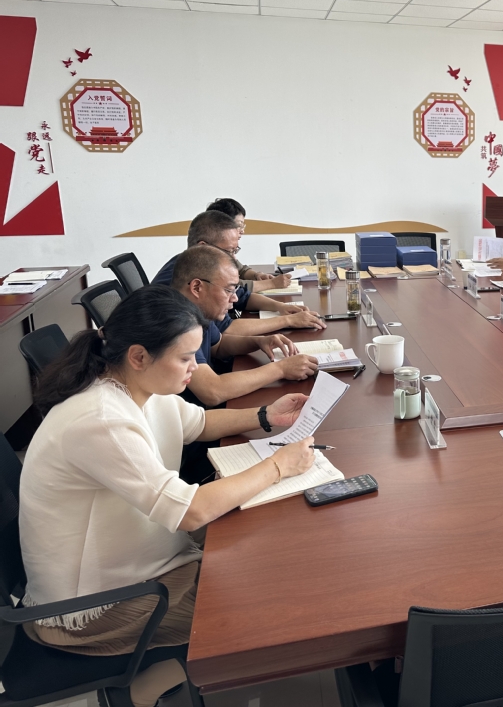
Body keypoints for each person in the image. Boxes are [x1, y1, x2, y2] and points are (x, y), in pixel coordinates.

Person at [19, 285, 317, 707]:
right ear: (139, 356)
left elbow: (198, 423)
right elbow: (191, 511)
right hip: (90, 608)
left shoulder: (137, 386)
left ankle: (179, 673)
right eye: (185, 357)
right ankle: (140, 691)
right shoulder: (101, 419)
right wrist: (277, 466)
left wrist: (266, 415)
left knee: (263, 552)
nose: (195, 366)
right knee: (262, 605)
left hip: (135, 562)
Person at [171, 245, 319, 406]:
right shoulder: (174, 322)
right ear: (197, 287)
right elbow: (213, 390)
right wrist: (281, 369)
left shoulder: (196, 310)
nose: (235, 298)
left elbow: (218, 345)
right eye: (228, 290)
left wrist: (258, 341)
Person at [152, 210, 326, 336]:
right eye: (229, 251)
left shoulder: (204, 270)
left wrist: (282, 307)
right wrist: (288, 321)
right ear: (203, 247)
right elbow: (227, 329)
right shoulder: (179, 285)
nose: (234, 258)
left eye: (235, 250)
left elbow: (244, 296)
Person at [205, 197, 292, 291]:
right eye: (239, 225)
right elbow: (232, 287)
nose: (242, 231)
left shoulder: (225, 246)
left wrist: (256, 275)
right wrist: (272, 284)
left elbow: (241, 269)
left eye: (243, 226)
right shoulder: (207, 252)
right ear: (222, 225)